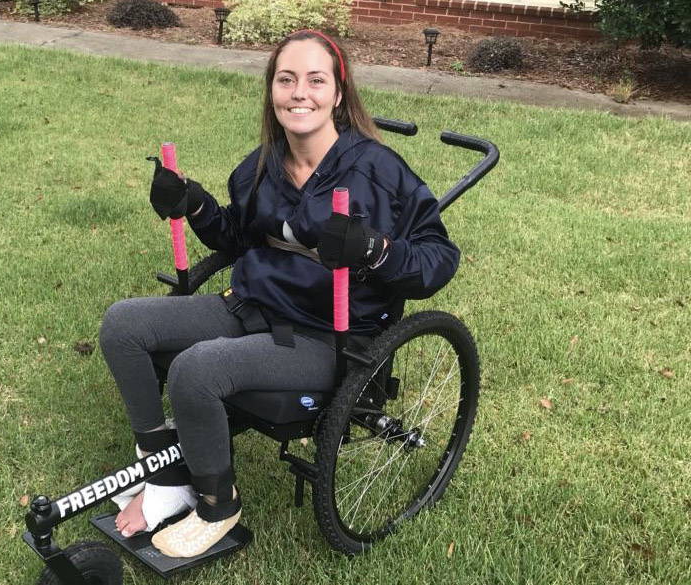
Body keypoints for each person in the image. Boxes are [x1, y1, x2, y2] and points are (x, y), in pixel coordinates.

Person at [98, 29, 460, 558]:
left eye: (316, 80)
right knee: (123, 325)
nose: (300, 93)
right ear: (272, 90)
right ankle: (166, 469)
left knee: (196, 370)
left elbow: (438, 258)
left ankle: (218, 504)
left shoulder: (378, 172)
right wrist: (194, 205)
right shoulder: (261, 166)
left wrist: (374, 249)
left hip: (329, 337)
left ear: (339, 93)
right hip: (252, 308)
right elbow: (240, 241)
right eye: (286, 80)